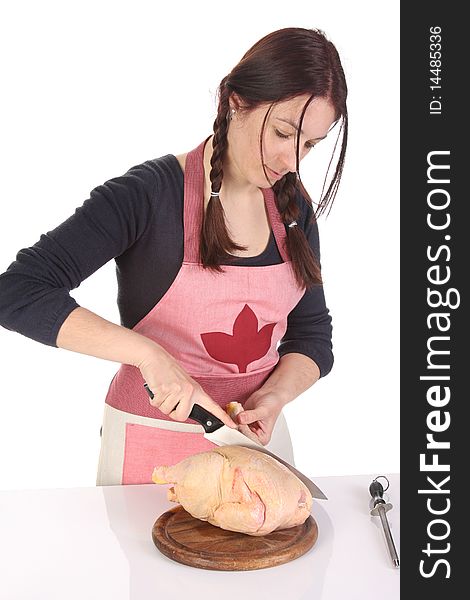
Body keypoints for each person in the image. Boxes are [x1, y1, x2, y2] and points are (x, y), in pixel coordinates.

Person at [0, 27, 348, 485]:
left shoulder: (293, 207)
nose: (291, 160)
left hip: (256, 452)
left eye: (309, 145)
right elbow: (18, 292)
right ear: (233, 101)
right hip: (149, 448)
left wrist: (275, 396)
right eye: (284, 132)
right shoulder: (147, 195)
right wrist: (149, 356)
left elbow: (312, 335)